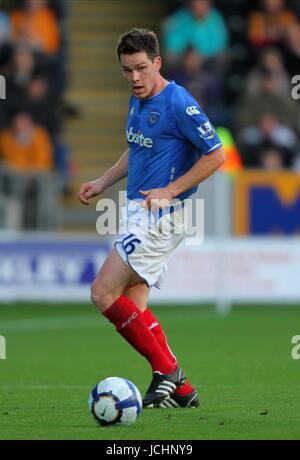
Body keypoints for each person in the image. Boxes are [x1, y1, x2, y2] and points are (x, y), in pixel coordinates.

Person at [77, 28, 225, 408]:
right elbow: (137, 149)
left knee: (102, 292)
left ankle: (167, 371)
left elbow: (216, 155)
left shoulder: (180, 103)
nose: (135, 78)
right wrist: (103, 181)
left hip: (162, 215)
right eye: (127, 71)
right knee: (134, 304)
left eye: (142, 68)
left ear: (158, 62)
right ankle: (184, 391)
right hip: (136, 211)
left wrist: (171, 191)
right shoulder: (138, 99)